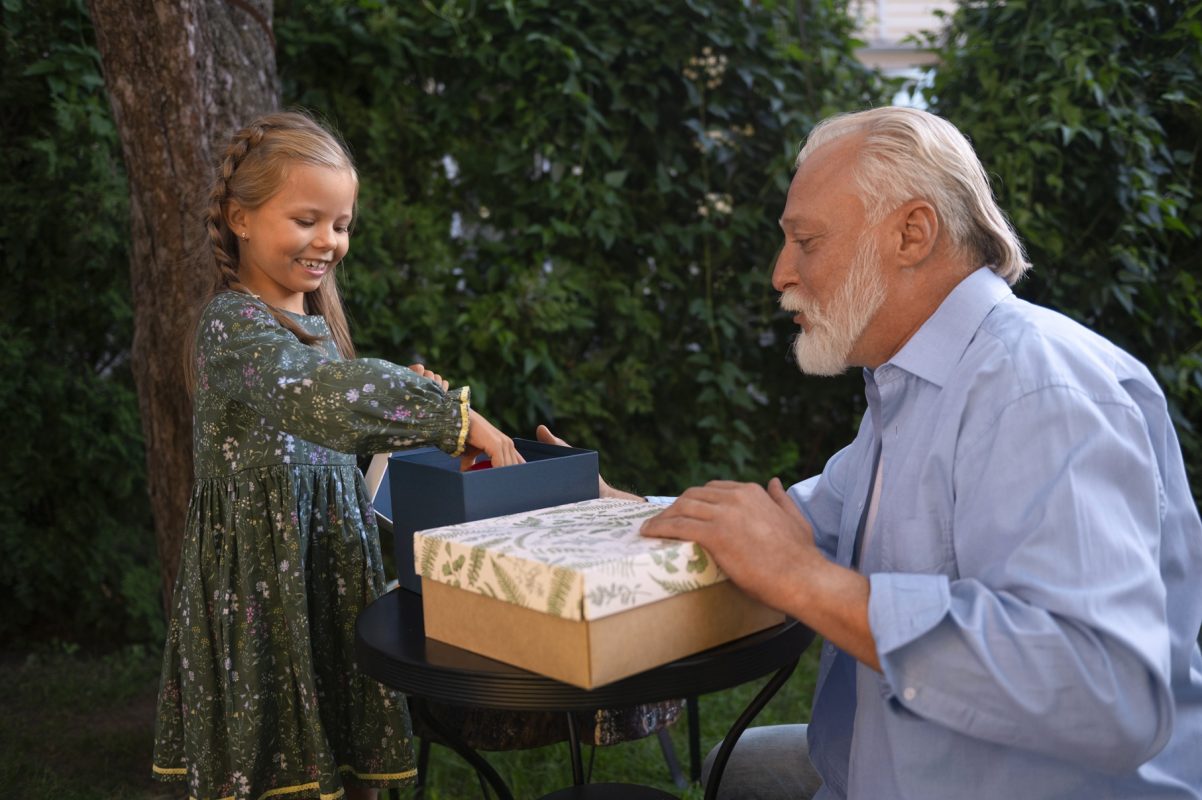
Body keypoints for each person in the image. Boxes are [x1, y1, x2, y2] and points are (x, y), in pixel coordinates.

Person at [631, 106, 1202, 798]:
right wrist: (605, 506)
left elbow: (1106, 691)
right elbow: (795, 524)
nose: (781, 273)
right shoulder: (912, 384)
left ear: (912, 233)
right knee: (737, 762)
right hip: (885, 765)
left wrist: (804, 579)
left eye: (805, 240)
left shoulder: (1037, 389)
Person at [151, 110, 523, 800]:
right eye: (306, 220)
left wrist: (405, 413)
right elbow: (317, 394)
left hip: (329, 579)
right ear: (239, 217)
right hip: (268, 594)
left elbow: (344, 422)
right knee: (281, 772)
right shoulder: (234, 327)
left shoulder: (317, 336)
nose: (328, 240)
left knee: (353, 765)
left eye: (342, 224)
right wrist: (450, 415)